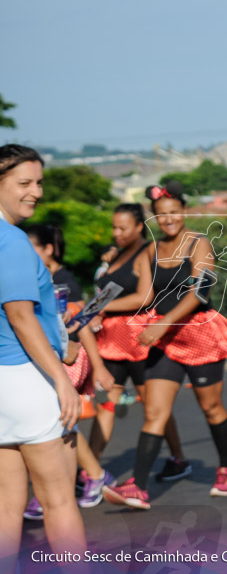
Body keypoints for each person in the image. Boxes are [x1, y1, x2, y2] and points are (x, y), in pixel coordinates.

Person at [103, 182, 227, 510]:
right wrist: (99, 306)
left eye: (174, 212)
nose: (168, 219)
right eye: (162, 215)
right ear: (154, 218)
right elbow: (146, 296)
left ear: (184, 211)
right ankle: (138, 486)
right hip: (164, 341)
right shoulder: (151, 251)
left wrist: (164, 322)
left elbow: (200, 292)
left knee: (211, 407)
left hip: (199, 334)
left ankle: (226, 471)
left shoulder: (199, 243)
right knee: (154, 411)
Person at [0, 144, 86, 564]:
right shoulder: (13, 241)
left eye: (39, 182)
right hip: (27, 379)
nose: (35, 191)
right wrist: (60, 380)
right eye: (24, 183)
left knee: (5, 507)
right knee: (59, 502)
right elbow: (20, 316)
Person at [88, 204, 189, 483]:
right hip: (111, 342)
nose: (116, 233)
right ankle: (90, 470)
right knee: (105, 404)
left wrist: (103, 308)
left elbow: (144, 297)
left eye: (122, 228)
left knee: (154, 406)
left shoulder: (148, 251)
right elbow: (106, 290)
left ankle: (178, 458)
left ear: (138, 227)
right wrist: (91, 311)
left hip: (140, 339)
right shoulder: (117, 254)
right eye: (114, 227)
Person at [22, 224, 116, 516]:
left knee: (60, 425)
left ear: (48, 249)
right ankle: (63, 484)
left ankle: (89, 477)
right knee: (59, 426)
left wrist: (95, 365)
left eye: (32, 247)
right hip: (44, 360)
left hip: (64, 362)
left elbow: (81, 319)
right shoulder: (35, 278)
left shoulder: (64, 282)